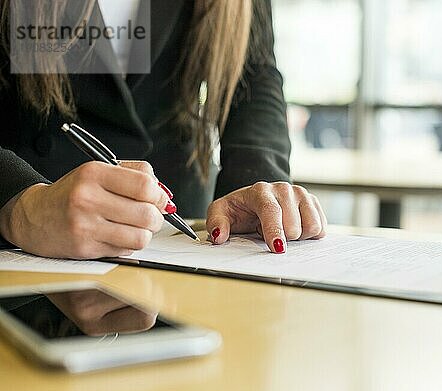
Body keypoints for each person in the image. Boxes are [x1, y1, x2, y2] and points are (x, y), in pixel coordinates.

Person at [0, 0, 327, 259]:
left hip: (180, 227)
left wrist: (254, 184)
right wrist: (18, 206)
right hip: (33, 232)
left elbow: (253, 75)